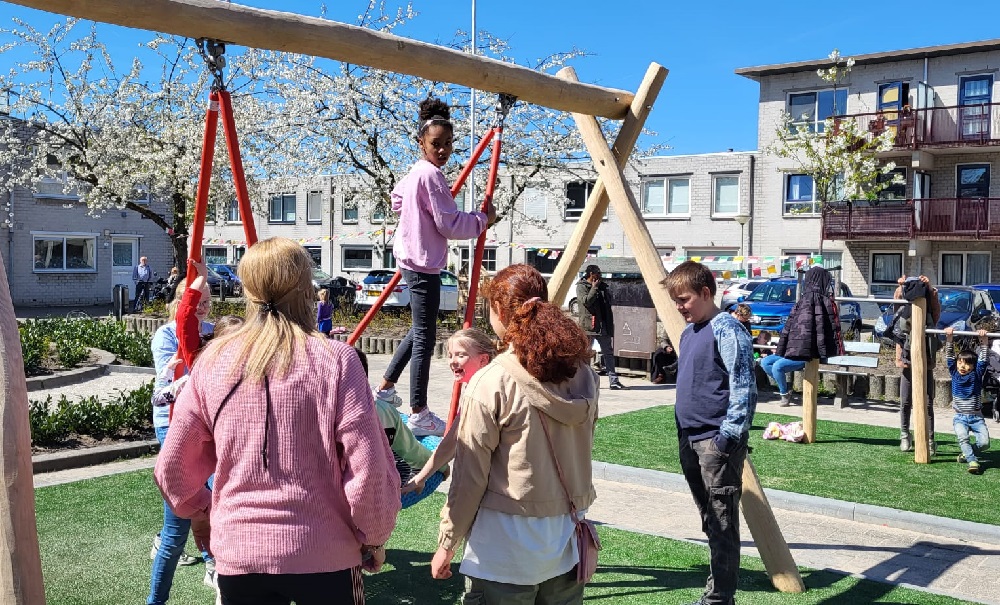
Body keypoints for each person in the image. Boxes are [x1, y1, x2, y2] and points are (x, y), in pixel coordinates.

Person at [155, 237, 400, 605]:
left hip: (240, 552)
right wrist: (375, 537)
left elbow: (172, 470)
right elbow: (369, 469)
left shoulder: (213, 361)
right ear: (305, 289)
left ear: (247, 289)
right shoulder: (337, 360)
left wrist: (204, 510)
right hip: (325, 552)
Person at [432, 264, 598, 604]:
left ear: (498, 308)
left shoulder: (491, 381)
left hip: (502, 547)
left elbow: (469, 476)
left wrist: (448, 541)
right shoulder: (584, 375)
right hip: (566, 539)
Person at [376, 96, 496, 438]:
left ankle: (385, 389)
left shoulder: (416, 172)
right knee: (425, 339)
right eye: (435, 144)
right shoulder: (431, 176)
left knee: (419, 330)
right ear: (421, 143)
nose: (443, 150)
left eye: (448, 144)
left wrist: (416, 212)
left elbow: (396, 200)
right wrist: (482, 219)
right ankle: (419, 411)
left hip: (412, 258)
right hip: (423, 262)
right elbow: (449, 223)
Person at [662, 260, 757, 605]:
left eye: (684, 299)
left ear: (705, 293)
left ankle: (719, 599)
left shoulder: (727, 329)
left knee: (721, 522)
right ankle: (716, 591)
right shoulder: (689, 333)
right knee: (710, 519)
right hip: (690, 440)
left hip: (715, 443)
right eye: (675, 301)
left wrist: (726, 439)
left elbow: (744, 387)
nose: (679, 307)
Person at [147, 278, 215, 605]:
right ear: (183, 301)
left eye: (208, 301)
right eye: (198, 301)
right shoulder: (167, 335)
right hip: (173, 422)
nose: (204, 307)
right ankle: (156, 599)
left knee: (213, 497)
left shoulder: (212, 331)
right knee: (176, 525)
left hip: (205, 423)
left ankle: (212, 561)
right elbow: (165, 390)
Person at [402, 328, 497, 495]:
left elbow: (451, 442)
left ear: (483, 359)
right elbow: (452, 441)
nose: (453, 361)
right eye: (450, 355)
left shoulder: (480, 393)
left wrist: (420, 478)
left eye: (461, 355)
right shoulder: (479, 386)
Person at [893, 275, 942, 453]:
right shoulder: (903, 308)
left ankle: (930, 439)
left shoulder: (929, 308)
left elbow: (936, 310)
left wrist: (929, 287)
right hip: (907, 360)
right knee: (905, 401)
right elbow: (896, 302)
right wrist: (901, 286)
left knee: (927, 402)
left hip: (925, 358)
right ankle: (905, 434)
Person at [944, 327, 990, 474]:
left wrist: (984, 341)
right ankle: (972, 461)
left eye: (967, 364)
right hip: (960, 417)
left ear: (973, 366)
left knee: (985, 443)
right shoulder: (954, 373)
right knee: (963, 438)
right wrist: (949, 339)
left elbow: (983, 360)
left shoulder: (976, 374)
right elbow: (949, 357)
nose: (962, 366)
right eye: (960, 362)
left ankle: (967, 453)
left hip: (976, 417)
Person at [577, 264, 626, 390]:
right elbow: (586, 301)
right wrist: (594, 288)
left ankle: (614, 381)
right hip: (589, 326)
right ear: (591, 274)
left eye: (600, 273)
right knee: (586, 354)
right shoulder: (582, 286)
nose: (600, 275)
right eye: (597, 273)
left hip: (603, 325)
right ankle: (585, 382)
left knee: (608, 353)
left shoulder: (602, 286)